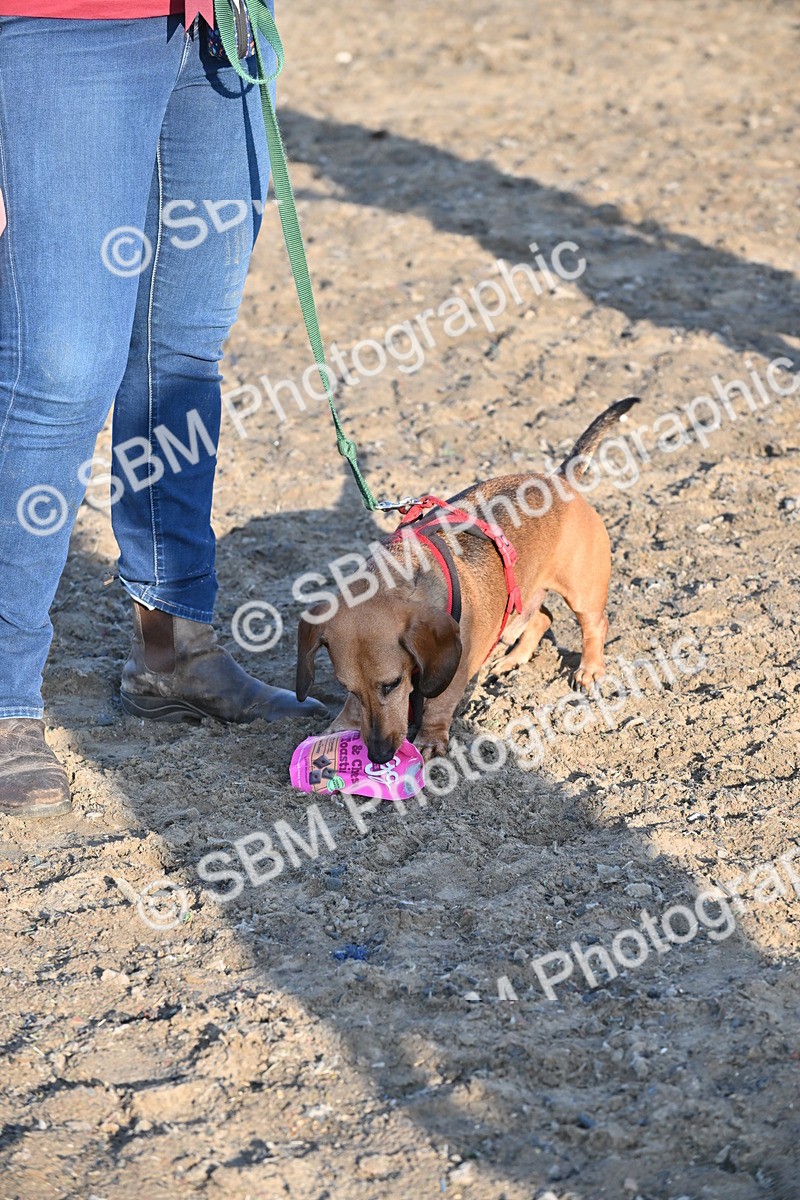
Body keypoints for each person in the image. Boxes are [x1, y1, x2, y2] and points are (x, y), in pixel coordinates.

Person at [0, 1, 325, 819]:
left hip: (220, 30)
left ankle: (171, 649)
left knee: (179, 350)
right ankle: (5, 698)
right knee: (60, 369)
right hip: (60, 24)